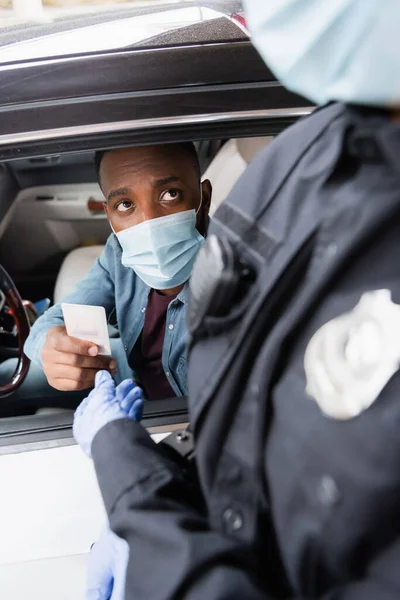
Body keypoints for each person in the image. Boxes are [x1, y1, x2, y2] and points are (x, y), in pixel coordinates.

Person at [74, 1, 400, 599]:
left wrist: (129, 481)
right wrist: (170, 485)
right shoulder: (310, 154)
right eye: (124, 205)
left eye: (169, 195)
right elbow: (250, 418)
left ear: (199, 200)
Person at [19, 142, 211, 402]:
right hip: (128, 370)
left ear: (204, 198)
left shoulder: (237, 280)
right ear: (108, 214)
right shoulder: (119, 250)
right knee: (11, 376)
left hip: (173, 413)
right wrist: (48, 347)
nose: (149, 223)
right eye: (125, 204)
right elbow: (51, 321)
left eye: (170, 194)